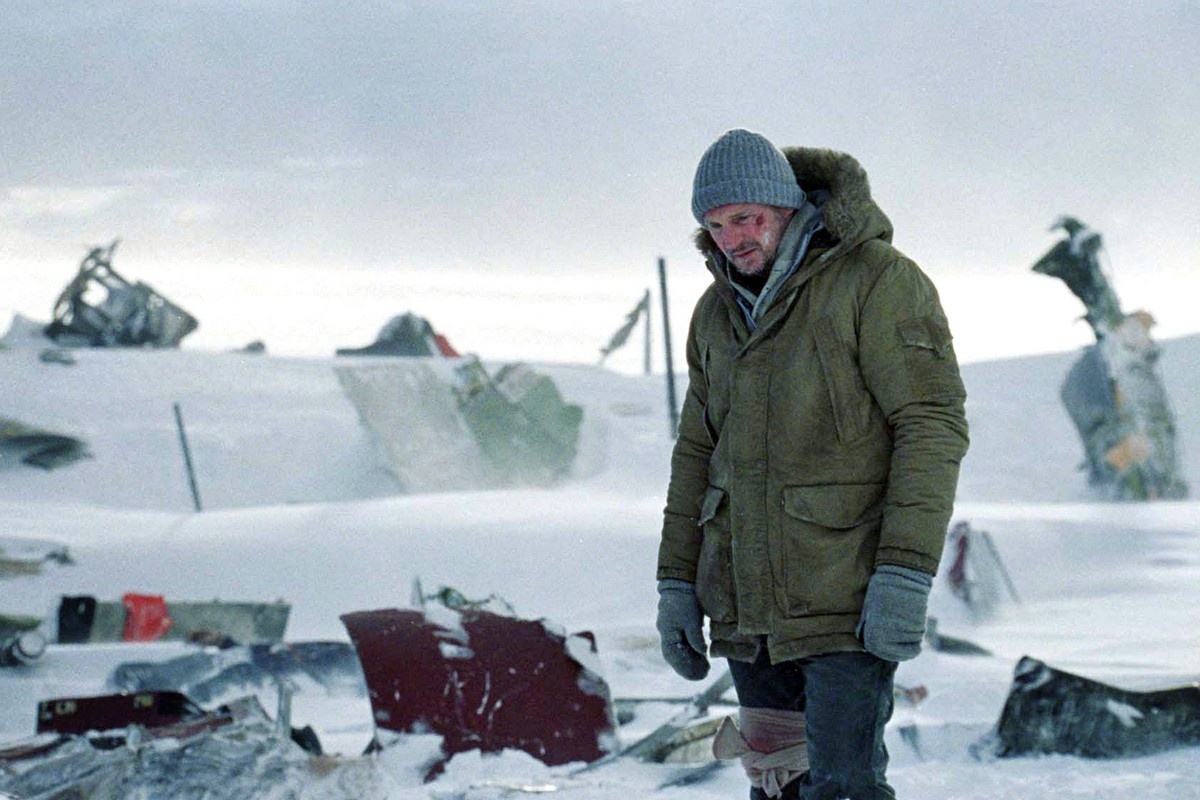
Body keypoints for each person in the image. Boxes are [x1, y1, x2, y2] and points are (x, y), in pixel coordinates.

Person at [656, 129, 969, 799]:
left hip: (845, 598)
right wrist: (676, 583)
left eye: (746, 218)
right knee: (777, 784)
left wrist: (905, 572)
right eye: (716, 226)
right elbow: (696, 455)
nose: (732, 239)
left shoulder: (878, 281)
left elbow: (930, 426)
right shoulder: (714, 314)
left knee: (842, 787)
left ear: (787, 206)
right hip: (747, 610)